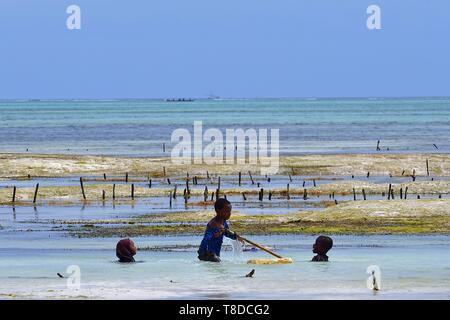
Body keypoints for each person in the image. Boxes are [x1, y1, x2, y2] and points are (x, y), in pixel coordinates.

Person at [198, 198, 242, 262]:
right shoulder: (213, 224)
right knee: (219, 266)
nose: (229, 213)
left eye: (230, 211)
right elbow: (206, 239)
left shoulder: (223, 222)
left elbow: (227, 232)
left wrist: (236, 237)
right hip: (207, 253)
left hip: (214, 254)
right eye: (227, 211)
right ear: (218, 211)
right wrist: (215, 236)